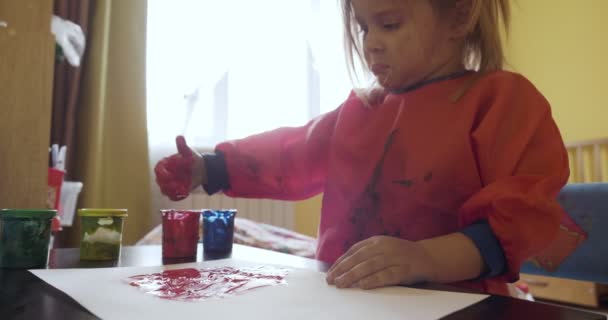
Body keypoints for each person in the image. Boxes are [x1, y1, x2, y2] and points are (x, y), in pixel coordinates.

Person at [155, 0, 572, 296]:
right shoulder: (360, 110)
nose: (371, 42)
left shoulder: (501, 101)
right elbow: (290, 154)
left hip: (451, 301)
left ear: (459, 14)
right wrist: (208, 169)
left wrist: (423, 258)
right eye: (363, 26)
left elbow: (519, 218)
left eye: (389, 24)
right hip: (343, 297)